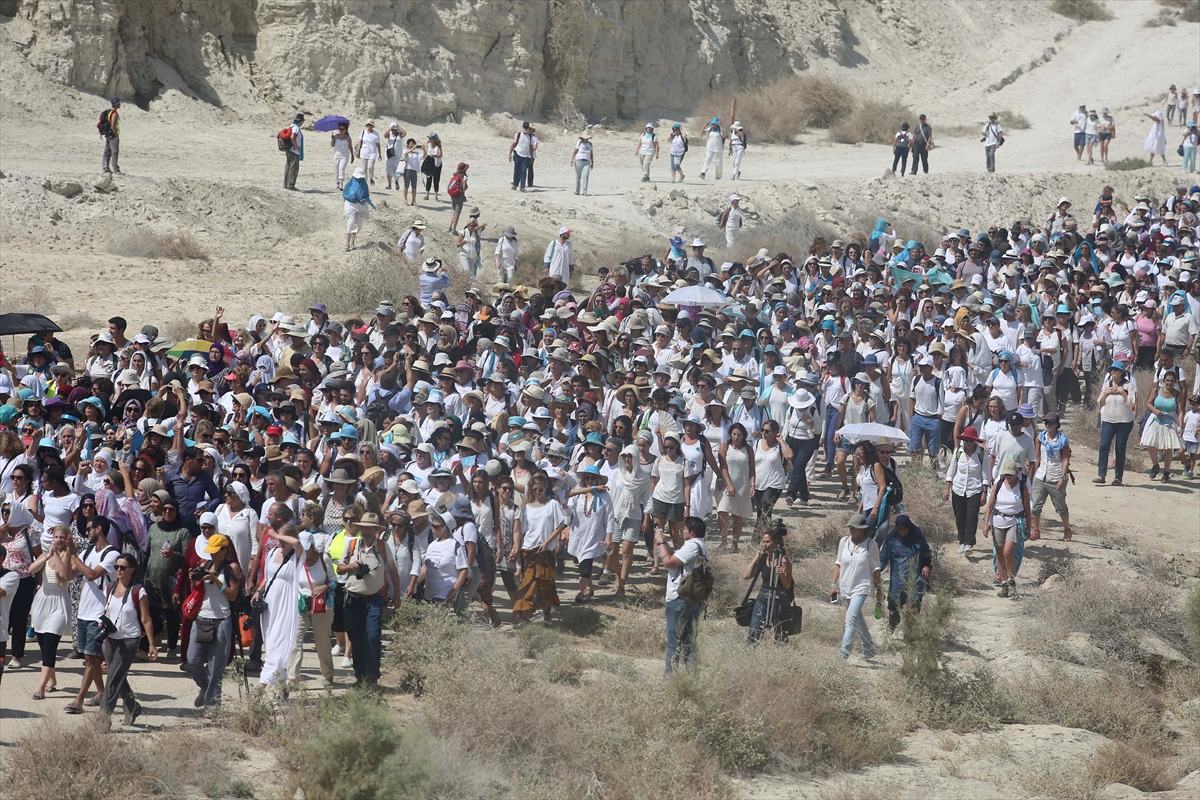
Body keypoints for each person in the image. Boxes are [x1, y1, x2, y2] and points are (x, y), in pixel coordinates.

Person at [337, 512, 400, 686]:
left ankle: (372, 676)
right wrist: (351, 566)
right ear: (361, 528)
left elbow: (393, 572)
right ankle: (360, 676)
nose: (367, 530)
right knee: (356, 638)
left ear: (375, 530)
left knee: (372, 636)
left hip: (374, 598)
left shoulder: (382, 546)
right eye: (365, 527)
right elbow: (339, 569)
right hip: (352, 599)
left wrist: (396, 595)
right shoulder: (352, 545)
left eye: (371, 528)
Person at [64, 514, 119, 714]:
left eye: (89, 529)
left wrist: (73, 556)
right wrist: (65, 555)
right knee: (91, 658)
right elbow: (70, 574)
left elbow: (91, 574)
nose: (87, 532)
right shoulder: (87, 552)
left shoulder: (111, 554)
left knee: (90, 655)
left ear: (99, 529)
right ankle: (102, 691)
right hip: (84, 612)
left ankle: (78, 699)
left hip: (99, 613)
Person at [97, 553, 156, 727]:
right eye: (116, 567)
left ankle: (103, 719)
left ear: (132, 570)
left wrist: (152, 644)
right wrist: (103, 621)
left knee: (112, 679)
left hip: (129, 640)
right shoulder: (110, 587)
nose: (119, 570)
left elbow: (146, 619)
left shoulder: (139, 591)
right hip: (110, 638)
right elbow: (107, 611)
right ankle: (133, 706)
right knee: (118, 676)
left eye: (123, 567)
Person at [186, 532, 241, 708]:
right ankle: (205, 688)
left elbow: (232, 595)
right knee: (193, 660)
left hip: (222, 619)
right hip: (202, 617)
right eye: (211, 551)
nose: (212, 555)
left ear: (225, 550)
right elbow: (197, 590)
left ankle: (212, 705)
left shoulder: (232, 568)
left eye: (216, 551)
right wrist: (194, 579)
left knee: (216, 666)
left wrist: (216, 580)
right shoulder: (205, 564)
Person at [510, 472, 564, 623]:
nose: (537, 492)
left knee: (545, 586)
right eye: (534, 490)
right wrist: (516, 547)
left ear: (546, 487)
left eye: (540, 489)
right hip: (528, 549)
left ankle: (546, 613)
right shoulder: (527, 508)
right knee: (526, 585)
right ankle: (522, 616)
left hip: (545, 551)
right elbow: (522, 530)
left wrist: (547, 542)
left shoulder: (553, 504)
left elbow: (559, 526)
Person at [28, 526, 74, 698]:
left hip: (59, 602)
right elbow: (32, 569)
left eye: (62, 537)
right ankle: (52, 679)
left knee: (50, 644)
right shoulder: (46, 555)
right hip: (42, 601)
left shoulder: (70, 556)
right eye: (56, 537)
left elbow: (64, 574)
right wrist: (47, 555)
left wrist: (56, 554)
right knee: (43, 644)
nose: (58, 540)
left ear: (67, 539)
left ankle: (40, 687)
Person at [253, 525, 301, 690]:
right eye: (279, 540)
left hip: (286, 604)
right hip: (270, 603)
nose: (281, 543)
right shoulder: (273, 552)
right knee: (271, 642)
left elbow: (297, 542)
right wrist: (258, 591)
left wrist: (274, 534)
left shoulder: (298, 556)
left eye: (284, 540)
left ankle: (262, 684)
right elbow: (268, 576)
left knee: (279, 642)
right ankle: (282, 687)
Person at [659, 515, 708, 675]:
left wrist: (660, 542)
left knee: (674, 641)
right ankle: (692, 676)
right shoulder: (701, 545)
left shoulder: (692, 545)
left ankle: (670, 679)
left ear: (692, 532)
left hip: (679, 598)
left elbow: (668, 563)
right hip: (693, 599)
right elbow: (675, 558)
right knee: (689, 641)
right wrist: (665, 542)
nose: (682, 531)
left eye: (685, 529)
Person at [831, 513, 882, 660]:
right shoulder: (844, 542)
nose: (851, 530)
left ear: (862, 529)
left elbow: (876, 570)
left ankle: (844, 652)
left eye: (854, 528)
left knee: (850, 619)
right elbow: (838, 563)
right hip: (846, 585)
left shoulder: (871, 545)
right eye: (850, 527)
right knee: (857, 619)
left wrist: (879, 589)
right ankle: (869, 647)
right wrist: (833, 584)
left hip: (861, 587)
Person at [564, 464, 614, 604]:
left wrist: (608, 538)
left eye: (592, 478)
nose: (589, 481)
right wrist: (565, 507)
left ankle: (580, 592)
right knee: (582, 562)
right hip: (578, 533)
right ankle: (589, 588)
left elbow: (609, 518)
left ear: (597, 480)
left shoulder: (605, 496)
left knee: (586, 563)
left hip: (594, 535)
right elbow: (570, 513)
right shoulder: (578, 494)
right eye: (587, 478)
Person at [1, 499, 40, 668]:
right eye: (3, 510)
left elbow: (39, 557)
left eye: (9, 511)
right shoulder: (3, 532)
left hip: (24, 580)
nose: (5, 514)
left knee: (19, 618)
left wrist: (38, 582)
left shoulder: (29, 532)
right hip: (3, 578)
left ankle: (16, 655)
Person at [983, 456, 1030, 598]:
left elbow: (1028, 509)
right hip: (998, 521)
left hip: (1014, 521)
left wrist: (1029, 527)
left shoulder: (1022, 486)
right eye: (1006, 473)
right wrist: (986, 523)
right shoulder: (999, 483)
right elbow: (990, 505)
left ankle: (1011, 580)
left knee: (1008, 552)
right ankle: (1004, 584)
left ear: (1017, 472)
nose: (1008, 476)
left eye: (1011, 473)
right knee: (999, 552)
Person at [878, 514, 931, 632]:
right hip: (897, 578)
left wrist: (926, 565)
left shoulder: (917, 536)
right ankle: (892, 628)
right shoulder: (891, 539)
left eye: (904, 530)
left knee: (914, 606)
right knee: (894, 605)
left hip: (915, 578)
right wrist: (877, 570)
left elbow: (926, 552)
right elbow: (883, 558)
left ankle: (910, 632)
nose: (902, 532)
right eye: (899, 529)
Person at [743, 523, 793, 644]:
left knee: (780, 633)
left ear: (776, 543)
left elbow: (787, 585)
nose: (764, 545)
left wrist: (781, 573)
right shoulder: (764, 558)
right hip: (762, 597)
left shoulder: (784, 560)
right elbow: (746, 575)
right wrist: (755, 559)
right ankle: (750, 653)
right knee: (754, 630)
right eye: (763, 542)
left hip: (779, 598)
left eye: (767, 542)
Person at [944, 427, 989, 554]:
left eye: (970, 441)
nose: (968, 443)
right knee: (960, 517)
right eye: (966, 440)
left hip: (975, 489)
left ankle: (969, 542)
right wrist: (947, 488)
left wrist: (984, 492)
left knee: (972, 516)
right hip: (958, 489)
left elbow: (986, 474)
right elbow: (951, 471)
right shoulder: (958, 452)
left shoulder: (982, 453)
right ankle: (962, 541)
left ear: (975, 441)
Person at [1031, 413, 1072, 541]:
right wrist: (1032, 475)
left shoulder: (1062, 440)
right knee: (1035, 505)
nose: (1048, 425)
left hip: (1055, 477)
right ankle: (1036, 530)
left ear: (1056, 424)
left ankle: (1067, 529)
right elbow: (1037, 458)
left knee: (1060, 506)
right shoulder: (1040, 438)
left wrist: (1062, 478)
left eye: (1050, 423)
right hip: (1041, 476)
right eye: (1046, 423)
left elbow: (1065, 459)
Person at [1141, 370, 1184, 482]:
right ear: (1164, 380)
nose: (1169, 383)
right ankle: (1155, 465)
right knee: (1151, 444)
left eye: (1172, 381)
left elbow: (1180, 411)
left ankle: (1166, 472)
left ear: (1175, 382)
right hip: (1156, 420)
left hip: (1170, 422)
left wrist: (1180, 426)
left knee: (1168, 448)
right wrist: (1155, 411)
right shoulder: (1156, 391)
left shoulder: (1177, 395)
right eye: (1167, 380)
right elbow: (1148, 403)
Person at [342, 165, 376, 252]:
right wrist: (351, 197)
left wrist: (365, 199)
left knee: (358, 224)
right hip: (350, 204)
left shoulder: (364, 184)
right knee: (351, 223)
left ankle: (352, 243)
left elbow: (366, 195)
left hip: (360, 205)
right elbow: (345, 194)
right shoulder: (350, 183)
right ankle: (347, 243)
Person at [509, 121, 534, 192]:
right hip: (517, 154)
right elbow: (513, 145)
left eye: (527, 127)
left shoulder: (530, 136)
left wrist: (531, 157)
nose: (525, 129)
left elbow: (531, 147)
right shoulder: (518, 135)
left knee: (524, 172)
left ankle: (522, 187)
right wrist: (510, 155)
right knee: (517, 171)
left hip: (526, 157)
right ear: (522, 127)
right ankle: (515, 184)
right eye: (524, 127)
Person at [100, 97, 121, 174]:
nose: (120, 104)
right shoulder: (114, 113)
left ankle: (105, 167)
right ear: (116, 104)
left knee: (107, 151)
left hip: (107, 134)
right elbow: (113, 125)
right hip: (112, 135)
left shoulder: (108, 112)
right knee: (115, 151)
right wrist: (116, 136)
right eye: (119, 103)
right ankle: (115, 169)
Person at [447, 162, 469, 234]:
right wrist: (465, 182)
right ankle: (453, 230)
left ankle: (449, 227)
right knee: (457, 214)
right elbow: (464, 188)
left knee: (453, 212)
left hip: (452, 195)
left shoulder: (454, 175)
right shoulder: (464, 177)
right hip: (459, 196)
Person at [330, 121, 354, 190]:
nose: (340, 130)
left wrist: (352, 155)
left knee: (341, 168)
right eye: (340, 129)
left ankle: (341, 183)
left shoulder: (348, 138)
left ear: (345, 130)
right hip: (336, 155)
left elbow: (350, 147)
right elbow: (332, 145)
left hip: (344, 156)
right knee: (336, 169)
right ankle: (337, 182)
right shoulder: (336, 136)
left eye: (342, 129)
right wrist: (332, 139)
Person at [284, 113, 304, 190]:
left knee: (288, 166)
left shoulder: (290, 126)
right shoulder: (296, 128)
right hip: (294, 150)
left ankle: (286, 184)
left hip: (288, 149)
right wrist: (296, 147)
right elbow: (292, 137)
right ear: (301, 121)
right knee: (294, 168)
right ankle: (291, 185)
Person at [383, 122, 405, 190]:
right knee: (388, 168)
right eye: (393, 130)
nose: (394, 131)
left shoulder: (399, 135)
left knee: (396, 168)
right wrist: (391, 128)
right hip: (390, 153)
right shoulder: (389, 134)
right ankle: (389, 184)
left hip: (397, 154)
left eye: (395, 130)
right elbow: (385, 135)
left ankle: (396, 180)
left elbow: (405, 133)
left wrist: (398, 127)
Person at [422, 133, 444, 199]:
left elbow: (440, 155)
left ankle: (436, 196)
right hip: (430, 164)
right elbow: (426, 154)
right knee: (428, 179)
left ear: (434, 139)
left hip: (437, 165)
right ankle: (427, 195)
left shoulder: (438, 146)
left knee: (436, 180)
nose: (429, 139)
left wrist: (434, 155)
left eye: (430, 138)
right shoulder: (428, 145)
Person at [401, 138, 421, 205]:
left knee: (414, 187)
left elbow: (423, 156)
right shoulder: (405, 150)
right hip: (407, 170)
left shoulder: (417, 154)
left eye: (413, 144)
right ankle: (405, 199)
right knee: (406, 185)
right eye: (411, 144)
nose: (412, 145)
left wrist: (425, 148)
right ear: (408, 145)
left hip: (414, 171)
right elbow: (405, 154)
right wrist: (412, 149)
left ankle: (414, 200)